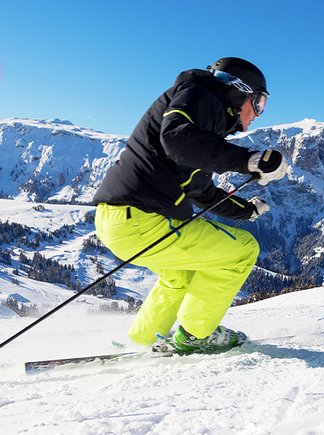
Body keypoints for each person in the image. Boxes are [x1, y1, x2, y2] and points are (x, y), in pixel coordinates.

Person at [93, 57, 287, 353]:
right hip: (145, 219)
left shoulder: (202, 120)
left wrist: (245, 210)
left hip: (116, 221)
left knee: (179, 274)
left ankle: (141, 340)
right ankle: (196, 334)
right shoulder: (201, 94)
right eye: (258, 103)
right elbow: (177, 140)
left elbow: (199, 189)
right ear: (239, 91)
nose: (258, 114)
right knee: (242, 251)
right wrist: (247, 160)